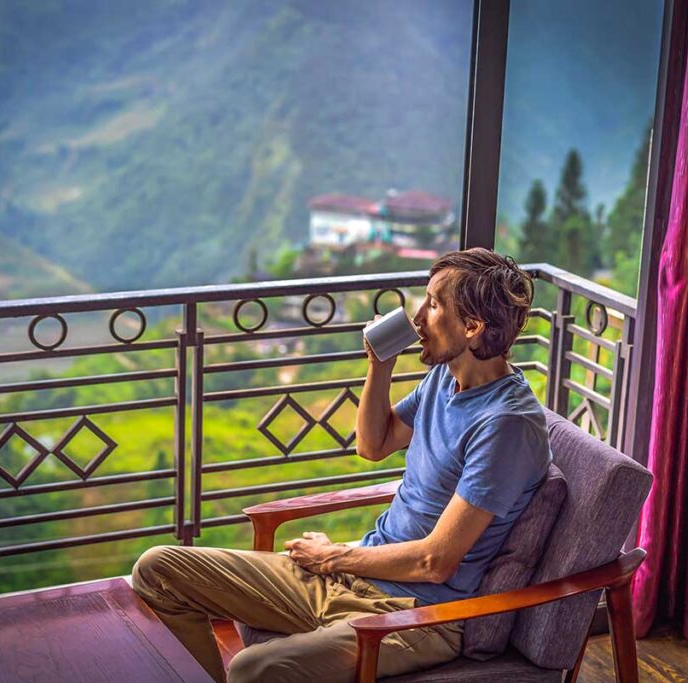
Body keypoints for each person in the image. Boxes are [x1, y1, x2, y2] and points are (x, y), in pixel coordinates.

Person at [132, 247, 552, 682]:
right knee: (158, 569)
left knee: (255, 668)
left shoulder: (506, 426)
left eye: (433, 303)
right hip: (358, 573)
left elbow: (435, 562)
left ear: (471, 327)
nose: (418, 317)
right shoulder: (446, 378)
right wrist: (379, 365)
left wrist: (334, 556)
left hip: (417, 614)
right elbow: (374, 444)